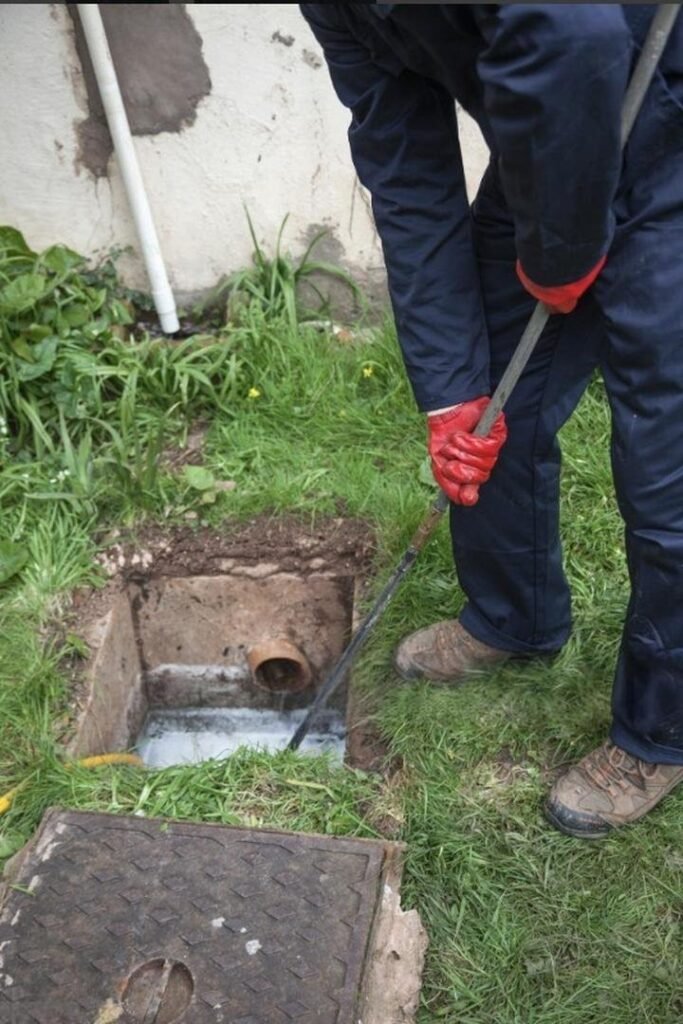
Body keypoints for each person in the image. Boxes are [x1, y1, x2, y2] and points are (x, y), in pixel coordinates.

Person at [299, 3, 683, 838]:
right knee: (492, 394)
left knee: (669, 469)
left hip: (664, 123)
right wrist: (448, 392)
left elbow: (572, 32)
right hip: (545, 152)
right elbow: (403, 164)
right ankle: (513, 617)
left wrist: (559, 251)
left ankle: (659, 728)